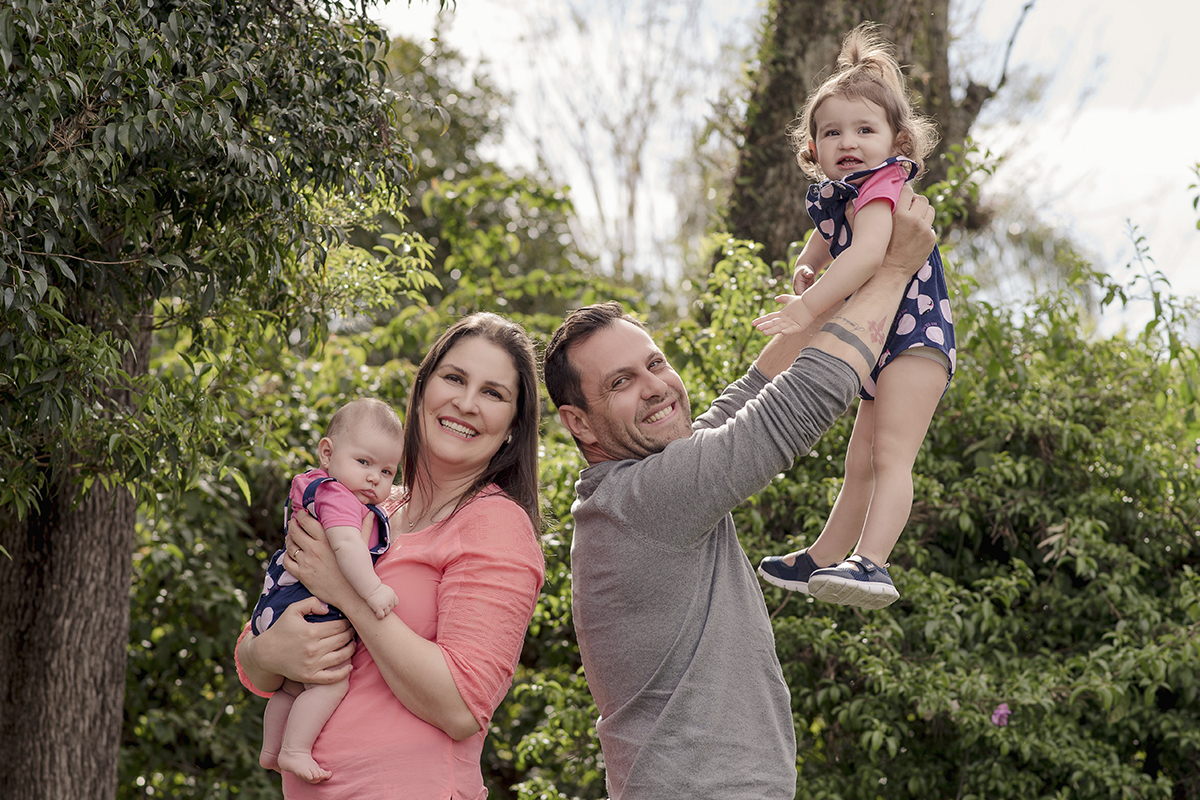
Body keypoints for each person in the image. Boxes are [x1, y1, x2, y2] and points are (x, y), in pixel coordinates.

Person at [542, 187, 936, 800]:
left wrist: (827, 293)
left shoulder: (638, 487)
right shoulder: (643, 499)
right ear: (580, 423)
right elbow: (794, 407)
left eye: (655, 363)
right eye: (622, 381)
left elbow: (754, 387)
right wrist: (892, 270)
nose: (656, 387)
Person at [236, 313, 546, 799]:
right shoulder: (366, 504)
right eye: (454, 378)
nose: (465, 404)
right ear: (422, 390)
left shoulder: (494, 524)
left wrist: (347, 594)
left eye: (493, 393)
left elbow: (462, 708)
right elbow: (257, 645)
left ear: (512, 426)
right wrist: (264, 652)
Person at [755, 23, 955, 610]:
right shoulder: (843, 192)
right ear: (812, 146)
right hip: (879, 336)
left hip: (915, 334)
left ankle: (873, 563)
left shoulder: (883, 184)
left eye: (864, 129)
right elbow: (829, 238)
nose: (848, 141)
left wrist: (806, 308)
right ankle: (822, 559)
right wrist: (806, 263)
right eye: (832, 131)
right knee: (859, 460)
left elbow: (869, 251)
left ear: (897, 143)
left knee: (891, 454)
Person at [250, 398, 404, 783]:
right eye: (364, 463)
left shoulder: (312, 486)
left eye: (387, 470)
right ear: (327, 453)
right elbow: (346, 548)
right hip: (310, 602)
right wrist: (372, 592)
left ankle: (270, 749)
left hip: (278, 604)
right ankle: (293, 750)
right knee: (330, 682)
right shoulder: (339, 497)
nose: (374, 478)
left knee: (288, 687)